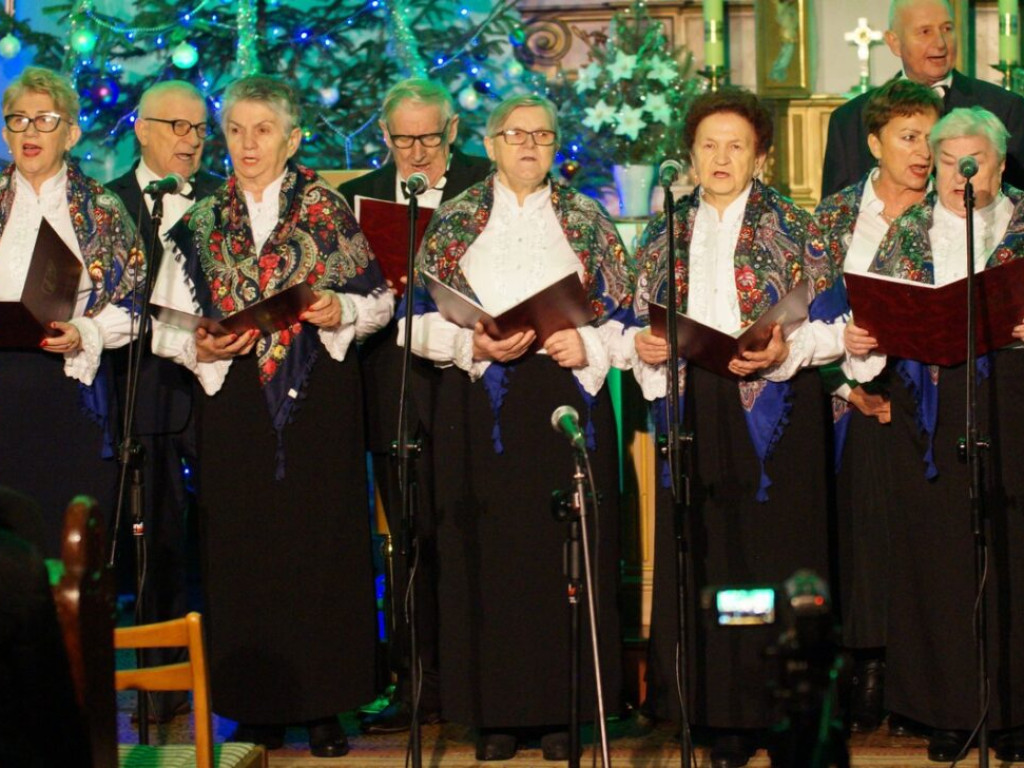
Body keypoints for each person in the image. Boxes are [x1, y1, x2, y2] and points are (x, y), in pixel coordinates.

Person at [151, 75, 392, 756]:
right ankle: (253, 706)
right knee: (243, 551)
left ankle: (325, 707)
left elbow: (377, 302)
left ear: (291, 138)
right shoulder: (196, 223)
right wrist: (198, 341)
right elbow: (164, 327)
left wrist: (337, 308)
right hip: (233, 407)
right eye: (235, 129)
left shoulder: (329, 211)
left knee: (321, 547)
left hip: (318, 400)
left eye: (263, 130)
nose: (248, 143)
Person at [401, 94, 631, 761]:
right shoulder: (456, 220)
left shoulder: (588, 219)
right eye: (514, 134)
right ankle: (492, 714)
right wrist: (472, 344)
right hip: (480, 408)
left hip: (566, 402)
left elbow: (632, 321)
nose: (528, 145)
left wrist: (588, 343)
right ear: (492, 144)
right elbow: (412, 321)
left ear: (556, 146)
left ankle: (567, 712)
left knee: (564, 552)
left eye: (541, 135)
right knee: (488, 555)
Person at [629, 87, 851, 768]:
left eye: (736, 145)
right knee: (713, 559)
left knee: (775, 561)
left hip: (780, 415)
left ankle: (783, 711)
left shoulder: (799, 225)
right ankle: (719, 708)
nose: (720, 157)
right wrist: (648, 348)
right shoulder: (663, 229)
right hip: (698, 409)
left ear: (762, 156)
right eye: (708, 145)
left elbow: (838, 324)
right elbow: (638, 322)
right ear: (691, 155)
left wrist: (790, 349)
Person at [846, 106, 1024, 763]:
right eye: (950, 162)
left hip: (1012, 401)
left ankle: (1013, 712)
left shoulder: (1023, 221)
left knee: (1012, 552)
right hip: (927, 412)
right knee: (936, 561)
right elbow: (875, 321)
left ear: (1000, 166)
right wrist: (867, 340)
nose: (961, 174)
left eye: (975, 162)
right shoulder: (906, 232)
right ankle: (947, 712)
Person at [337, 78, 490, 734]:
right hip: (390, 378)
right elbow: (337, 282)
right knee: (407, 535)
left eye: (430, 136)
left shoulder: (487, 181)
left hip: (470, 380)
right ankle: (413, 677)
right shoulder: (356, 197)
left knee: (467, 526)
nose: (418, 151)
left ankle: (475, 677)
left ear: (452, 130)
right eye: (404, 139)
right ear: (386, 137)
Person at [815, 79, 941, 733]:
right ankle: (864, 666)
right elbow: (802, 307)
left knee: (923, 533)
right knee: (858, 529)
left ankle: (918, 675)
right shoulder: (834, 218)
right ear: (874, 143)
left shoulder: (955, 213)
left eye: (930, 137)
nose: (922, 152)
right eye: (908, 137)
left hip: (928, 396)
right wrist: (846, 385)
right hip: (844, 394)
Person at [106, 79, 221, 724]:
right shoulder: (107, 202)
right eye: (176, 127)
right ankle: (158, 683)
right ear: (141, 130)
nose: (190, 140)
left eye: (199, 129)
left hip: (215, 389)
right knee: (154, 539)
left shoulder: (225, 199)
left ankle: (227, 668)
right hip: (140, 394)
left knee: (225, 530)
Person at [0, 66, 144, 556]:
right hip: (2, 388)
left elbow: (135, 300)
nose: (29, 132)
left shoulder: (101, 208)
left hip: (69, 392)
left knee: (68, 546)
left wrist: (85, 330)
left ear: (72, 132)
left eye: (44, 120)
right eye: (17, 120)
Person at [821, 0, 1024, 198]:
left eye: (947, 29)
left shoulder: (1005, 109)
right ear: (894, 42)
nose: (940, 43)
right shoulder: (849, 120)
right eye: (925, 32)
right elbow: (835, 221)